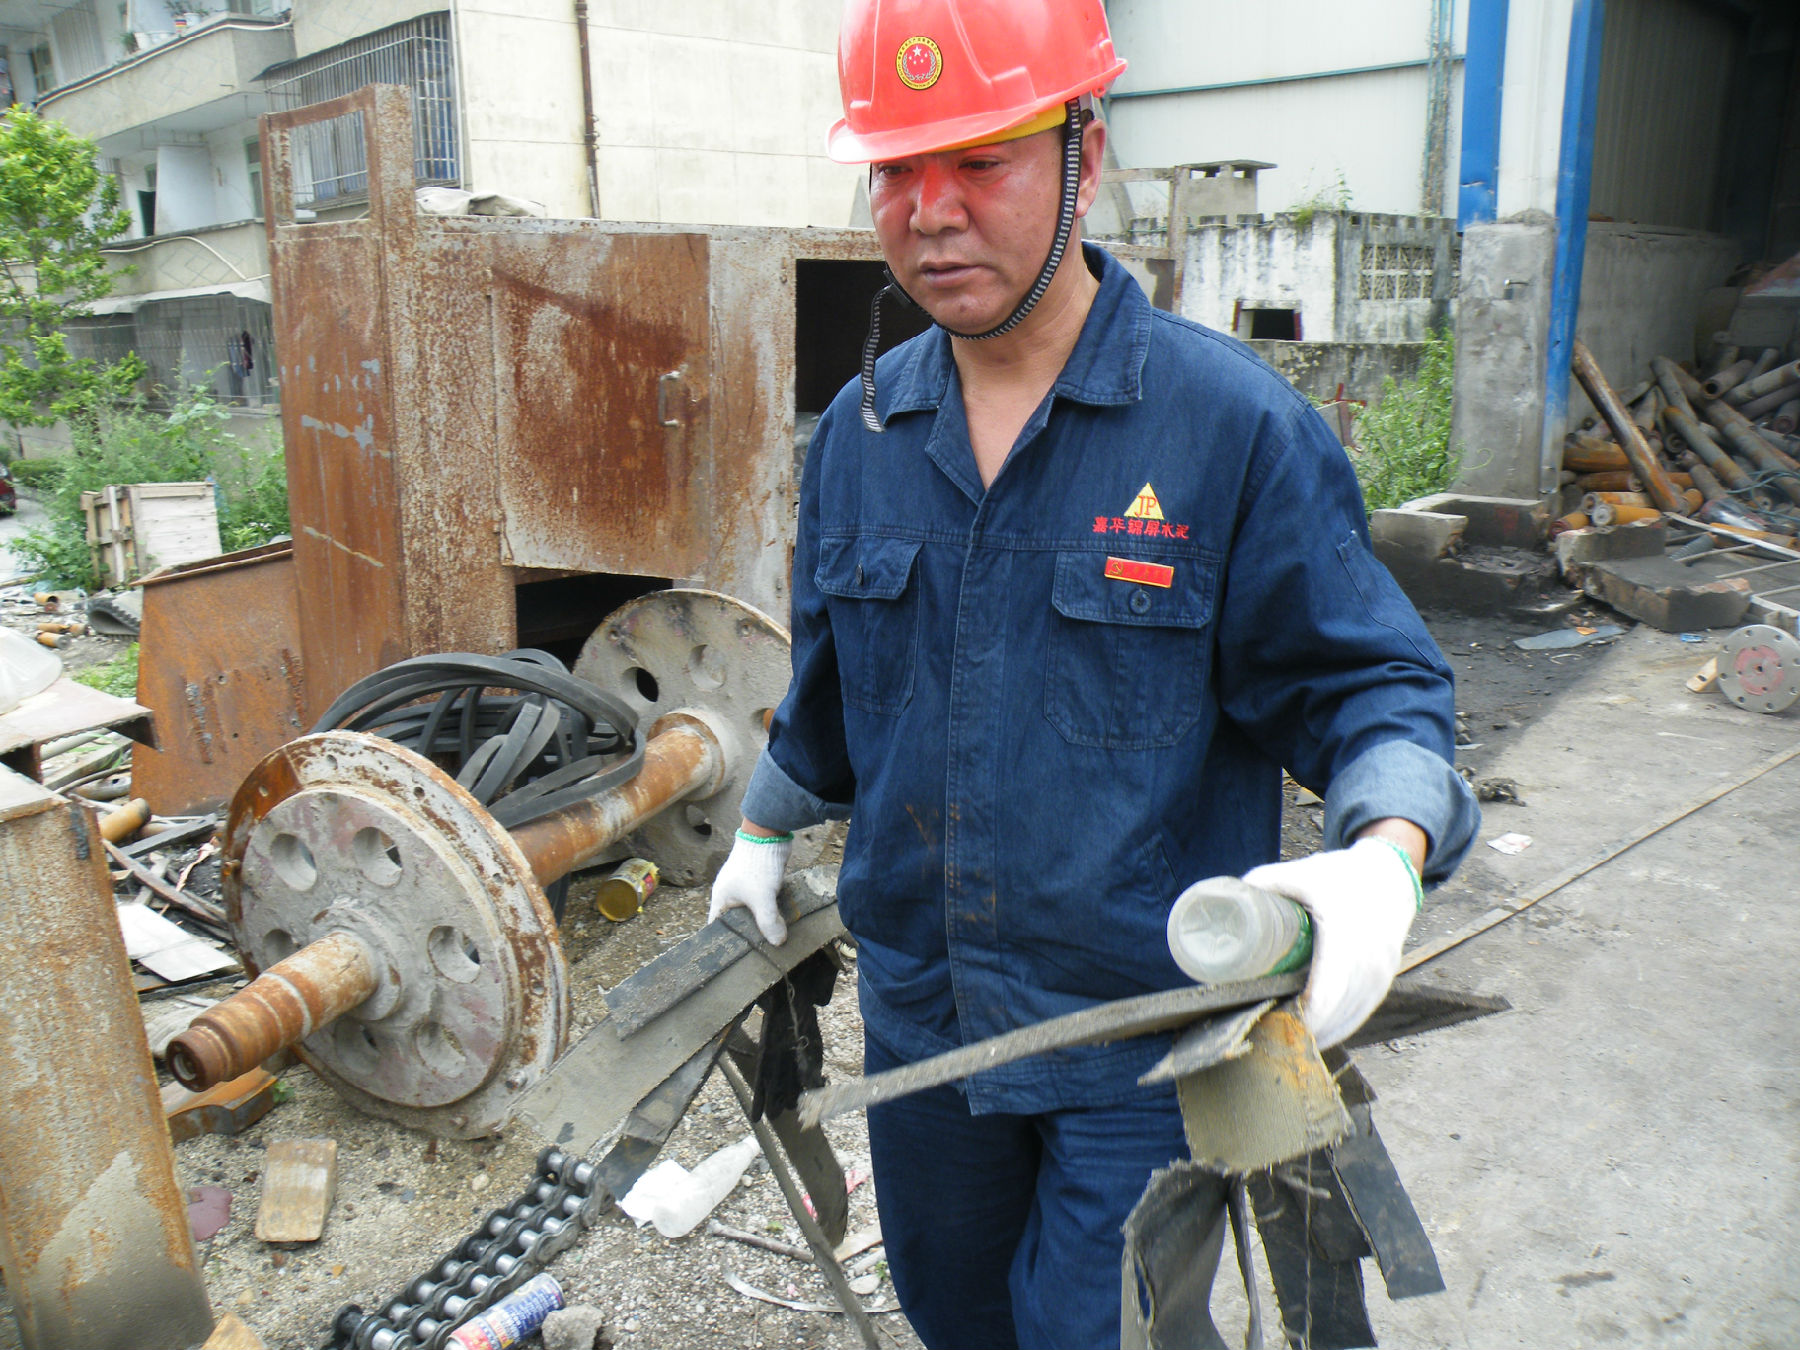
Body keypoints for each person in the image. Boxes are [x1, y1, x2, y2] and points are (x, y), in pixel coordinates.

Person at [710, 2, 1480, 1345]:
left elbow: (1372, 691)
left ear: (1087, 152)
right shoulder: (864, 433)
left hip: (1147, 1047)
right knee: (954, 1316)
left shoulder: (1231, 430)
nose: (931, 212)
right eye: (896, 168)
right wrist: (765, 830)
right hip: (926, 1029)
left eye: (982, 160)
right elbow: (833, 686)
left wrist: (1386, 857)